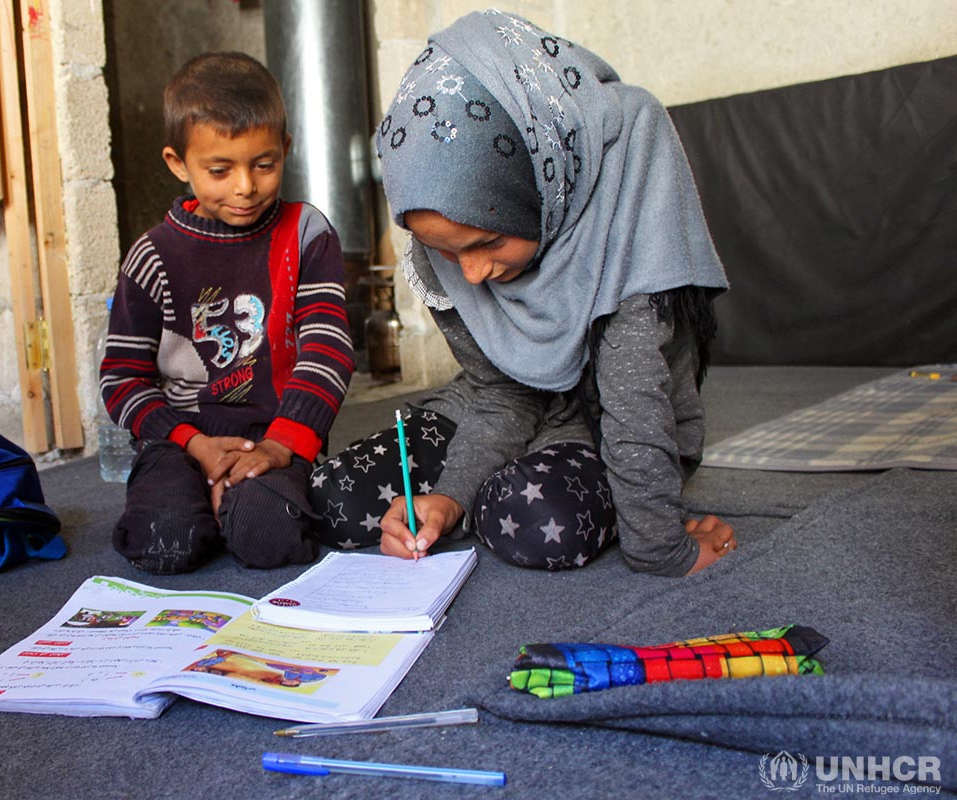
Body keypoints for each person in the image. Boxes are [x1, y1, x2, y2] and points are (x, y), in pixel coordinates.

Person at [309, 11, 734, 576]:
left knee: (533, 520)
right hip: (500, 407)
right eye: (447, 251)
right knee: (334, 496)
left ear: (541, 184)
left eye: (488, 241)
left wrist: (662, 547)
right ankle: (485, 492)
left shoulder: (628, 171)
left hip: (606, 416)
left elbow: (632, 397)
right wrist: (449, 496)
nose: (475, 273)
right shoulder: (441, 236)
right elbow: (502, 393)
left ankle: (504, 490)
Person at [102, 52, 354, 574]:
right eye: (219, 170)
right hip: (179, 438)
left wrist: (282, 444)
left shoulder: (307, 233)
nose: (245, 186)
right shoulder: (152, 256)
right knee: (163, 541)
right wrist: (193, 446)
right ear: (177, 163)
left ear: (285, 148)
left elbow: (328, 352)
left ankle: (238, 506)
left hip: (274, 436)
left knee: (270, 540)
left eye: (264, 164)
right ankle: (200, 501)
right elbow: (122, 379)